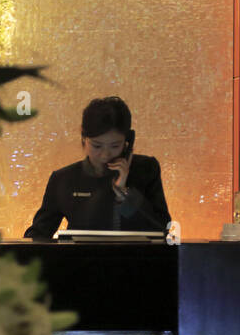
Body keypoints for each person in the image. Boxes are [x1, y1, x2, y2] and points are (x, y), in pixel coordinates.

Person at [23, 96, 171, 239]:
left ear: (127, 141)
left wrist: (124, 193)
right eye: (97, 145)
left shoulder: (145, 170)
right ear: (83, 137)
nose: (105, 154)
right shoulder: (64, 179)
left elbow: (162, 227)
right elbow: (38, 235)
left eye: (115, 146)